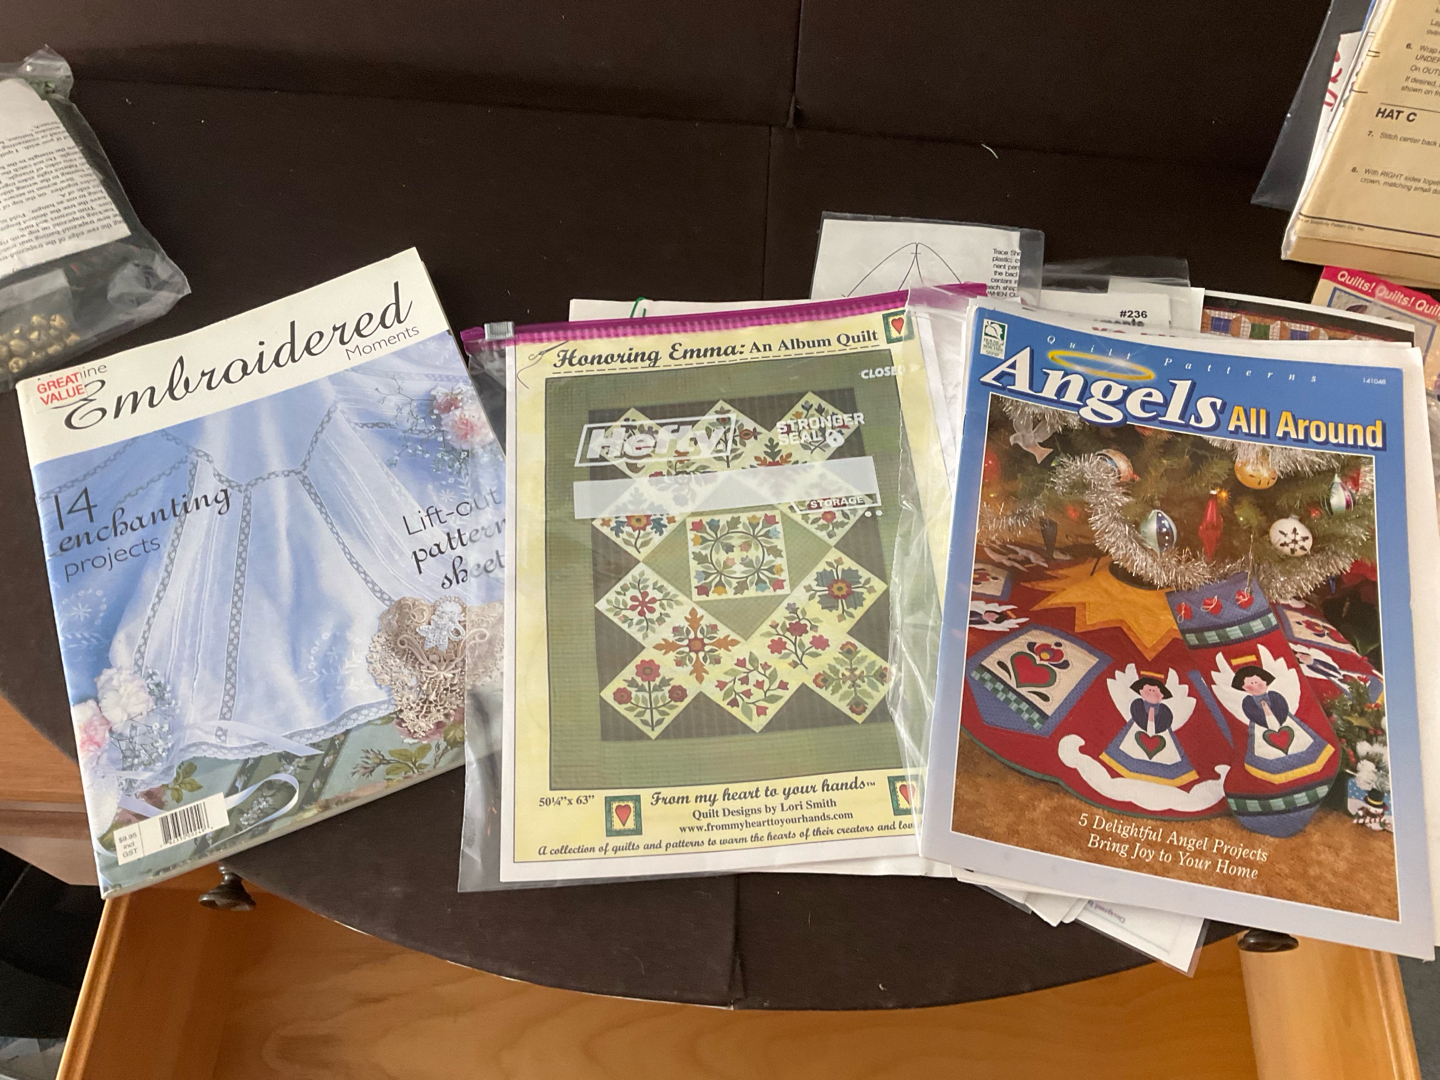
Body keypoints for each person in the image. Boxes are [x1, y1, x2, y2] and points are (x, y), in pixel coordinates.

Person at [1232, 664, 1290, 729]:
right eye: (1251, 683)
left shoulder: (1275, 696)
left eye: (1256, 682)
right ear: (1244, 688)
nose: (1255, 685)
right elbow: (1253, 717)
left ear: (1266, 682)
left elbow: (1284, 710)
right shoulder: (1248, 702)